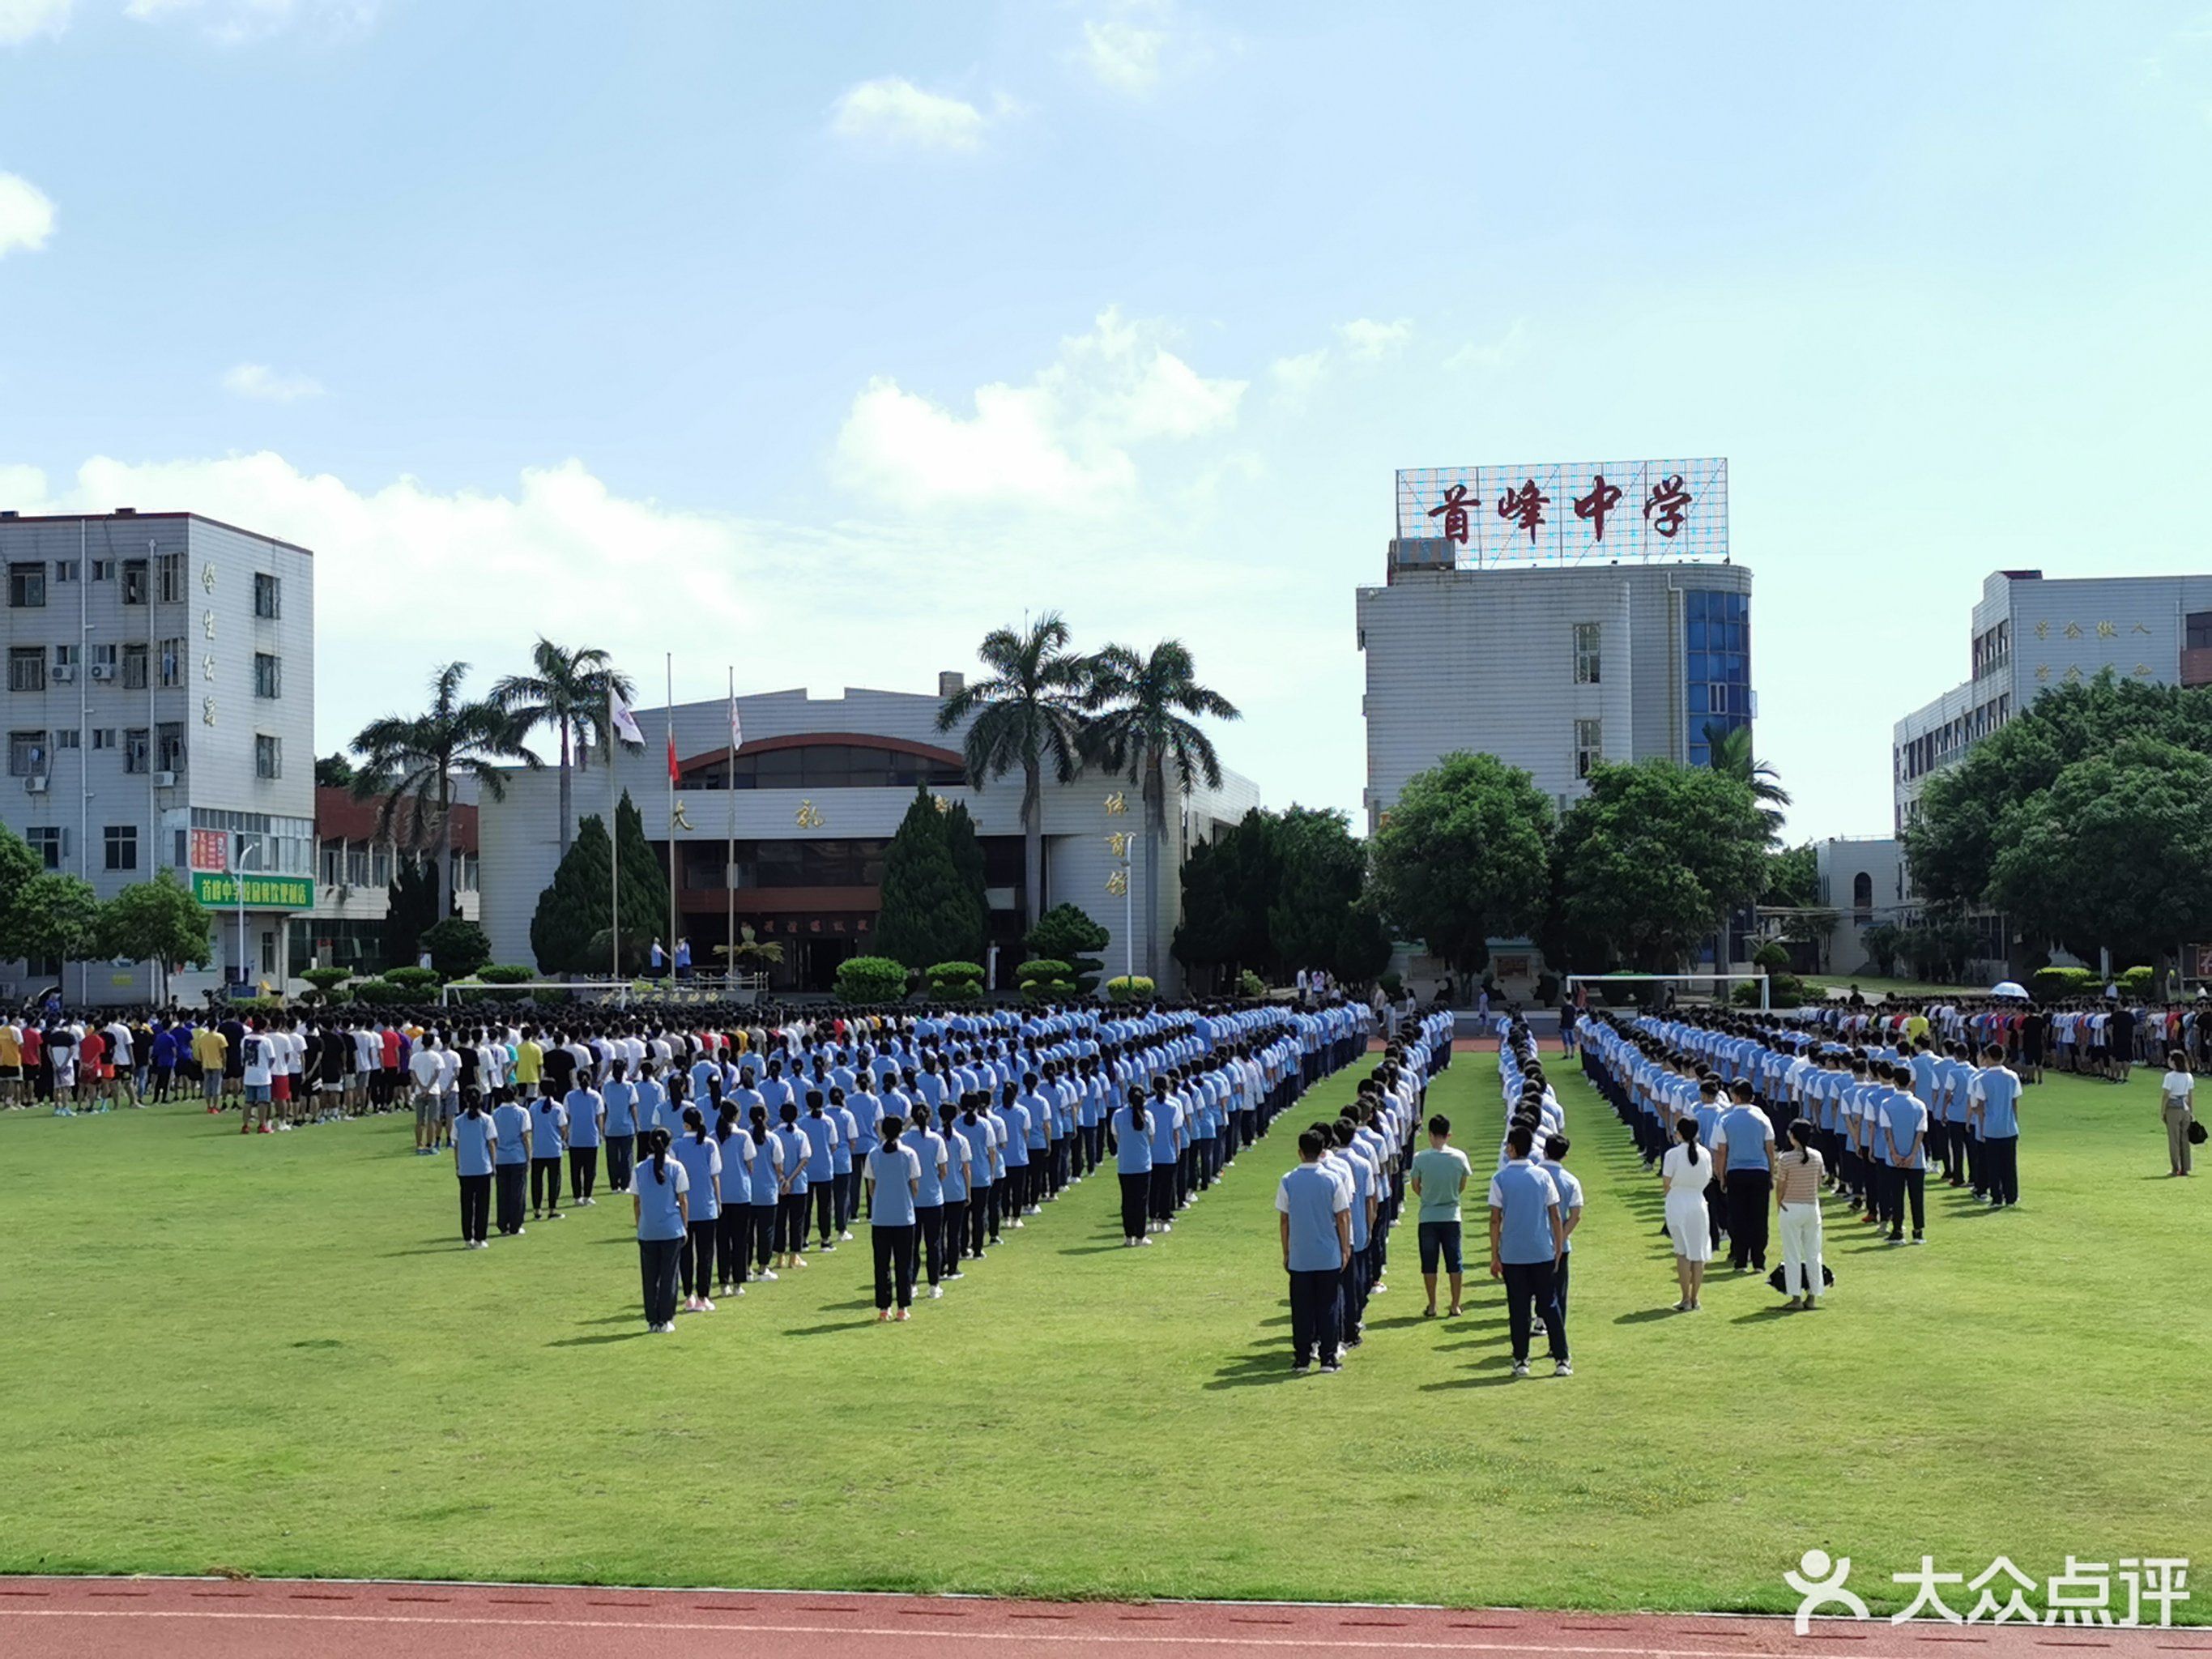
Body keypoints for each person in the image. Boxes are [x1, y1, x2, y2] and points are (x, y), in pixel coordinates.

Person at [1488, 1123, 1568, 1379]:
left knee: (1518, 1308)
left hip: (1513, 1253)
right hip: (1541, 1251)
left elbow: (1494, 1220)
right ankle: (1561, 1359)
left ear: (1511, 1149)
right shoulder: (1543, 1176)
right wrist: (1557, 1248)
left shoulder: (1500, 1179)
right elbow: (1555, 1215)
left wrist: (1494, 1255)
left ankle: (1521, 1359)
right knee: (1550, 1305)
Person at [1276, 1128, 1351, 1375]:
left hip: (1300, 1255)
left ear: (1300, 1152)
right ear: (1322, 1153)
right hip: (1328, 1253)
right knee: (1328, 1306)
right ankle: (1328, 1358)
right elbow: (1342, 1217)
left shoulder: (1288, 1180)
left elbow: (1284, 1220)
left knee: (1301, 1309)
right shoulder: (1332, 1179)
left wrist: (1286, 1251)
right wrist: (1344, 1248)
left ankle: (1302, 1358)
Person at [1409, 1113, 1471, 1318]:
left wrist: (1428, 1196)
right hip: (1452, 1215)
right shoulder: (1459, 1157)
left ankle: (1433, 1304)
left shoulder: (1421, 1158)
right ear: (1448, 1134)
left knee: (1429, 1263)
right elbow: (1462, 1184)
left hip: (1428, 1216)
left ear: (1431, 1134)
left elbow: (1416, 1186)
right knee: (1455, 1261)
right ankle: (1455, 1304)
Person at [865, 1114, 923, 1321]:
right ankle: (903, 1308)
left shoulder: (873, 1154)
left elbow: (871, 1187)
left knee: (881, 1265)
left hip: (881, 1217)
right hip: (904, 1217)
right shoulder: (909, 1154)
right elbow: (915, 1186)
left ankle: (883, 1308)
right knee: (903, 1264)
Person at [1712, 1084, 1776, 1272]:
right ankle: (1758, 1261)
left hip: (1736, 1171)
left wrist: (1721, 1175)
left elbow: (1721, 1152)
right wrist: (1771, 1173)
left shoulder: (1726, 1119)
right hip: (1759, 1171)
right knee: (1759, 1217)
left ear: (1736, 1097)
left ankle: (1741, 1259)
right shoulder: (1762, 1118)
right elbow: (1770, 1149)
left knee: (1738, 1216)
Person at [633, 1128, 688, 1333]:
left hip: (648, 1230)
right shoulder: (676, 1168)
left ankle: (652, 1320)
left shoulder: (639, 1169)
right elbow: (682, 1201)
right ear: (669, 1144)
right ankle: (666, 1319)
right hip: (671, 1230)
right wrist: (685, 1225)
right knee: (669, 1275)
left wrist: (640, 1225)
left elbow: (637, 1202)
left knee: (649, 1277)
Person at [670, 1105, 722, 1313]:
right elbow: (715, 1176)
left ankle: (688, 1296)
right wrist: (718, 1202)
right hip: (706, 1206)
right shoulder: (710, 1145)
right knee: (706, 1254)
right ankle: (703, 1296)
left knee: (685, 1254)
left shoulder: (677, 1146)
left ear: (685, 1124)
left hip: (683, 1208)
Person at [1660, 1116, 1715, 1311]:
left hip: (1678, 1201)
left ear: (1680, 1133)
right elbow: (1708, 1178)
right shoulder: (1705, 1154)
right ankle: (1695, 1298)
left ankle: (1685, 1298)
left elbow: (1666, 1182)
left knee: (1682, 1252)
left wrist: (1671, 1196)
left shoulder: (1673, 1154)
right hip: (1698, 1202)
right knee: (1698, 1253)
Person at [1537, 1133, 1583, 1354]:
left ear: (1544, 1150)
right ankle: (1556, 1345)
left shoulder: (1533, 1176)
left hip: (1534, 1244)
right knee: (1558, 1296)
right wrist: (1560, 1238)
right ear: (1565, 1155)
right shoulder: (1570, 1180)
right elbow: (1575, 1215)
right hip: (1560, 1246)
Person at [1775, 1117, 1825, 1308]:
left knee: (1792, 1254)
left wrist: (1780, 1204)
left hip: (1791, 1207)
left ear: (1793, 1137)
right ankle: (1812, 1296)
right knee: (1813, 1253)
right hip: (1811, 1206)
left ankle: (1795, 1297)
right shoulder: (1817, 1157)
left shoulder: (1786, 1158)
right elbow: (1818, 1182)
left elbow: (1781, 1185)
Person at [1967, 1043, 2022, 1209]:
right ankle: (2011, 1196)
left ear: (1988, 1058)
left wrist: (1982, 1129)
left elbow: (1981, 1108)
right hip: (2008, 1126)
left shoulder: (1981, 1079)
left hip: (1991, 1128)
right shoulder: (2012, 1077)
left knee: (1993, 1165)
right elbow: (2014, 1103)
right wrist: (2015, 1123)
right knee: (2009, 1165)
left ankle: (1997, 1197)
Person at [1110, 1085, 1153, 1247]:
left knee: (1127, 1201)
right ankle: (1141, 1236)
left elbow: (1116, 1137)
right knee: (1141, 1201)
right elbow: (1152, 1138)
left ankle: (1129, 1237)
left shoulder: (1118, 1115)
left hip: (1125, 1164)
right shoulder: (1147, 1115)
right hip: (1143, 1164)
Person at [454, 1090, 496, 1249]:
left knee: (466, 1205)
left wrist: (458, 1166)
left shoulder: (458, 1121)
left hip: (465, 1169)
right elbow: (491, 1144)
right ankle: (480, 1238)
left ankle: (467, 1238)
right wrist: (493, 1164)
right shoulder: (487, 1120)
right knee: (482, 1205)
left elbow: (456, 1146)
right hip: (483, 1168)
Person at [490, 1087, 531, 1236]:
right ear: (516, 1095)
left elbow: (492, 1138)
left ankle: (503, 1224)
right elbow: (525, 1137)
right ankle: (515, 1225)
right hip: (517, 1157)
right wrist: (529, 1157)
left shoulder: (495, 1114)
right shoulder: (522, 1113)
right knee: (518, 1193)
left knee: (502, 1193)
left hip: (500, 1158)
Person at [528, 1084, 568, 1222]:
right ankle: (552, 1210)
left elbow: (530, 1127)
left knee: (536, 1181)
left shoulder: (533, 1107)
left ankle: (537, 1211)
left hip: (538, 1149)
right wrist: (562, 1139)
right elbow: (563, 1128)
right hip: (553, 1149)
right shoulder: (558, 1107)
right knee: (554, 1180)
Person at [2161, 1048, 2196, 1177]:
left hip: (2173, 1108)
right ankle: (2185, 1168)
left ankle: (2175, 1168)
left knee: (2174, 1139)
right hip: (2185, 1108)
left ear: (2174, 1062)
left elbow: (2166, 1095)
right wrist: (2191, 1111)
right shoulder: (2188, 1076)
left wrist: (2162, 1111)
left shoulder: (2170, 1076)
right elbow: (2190, 1096)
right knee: (2184, 1139)